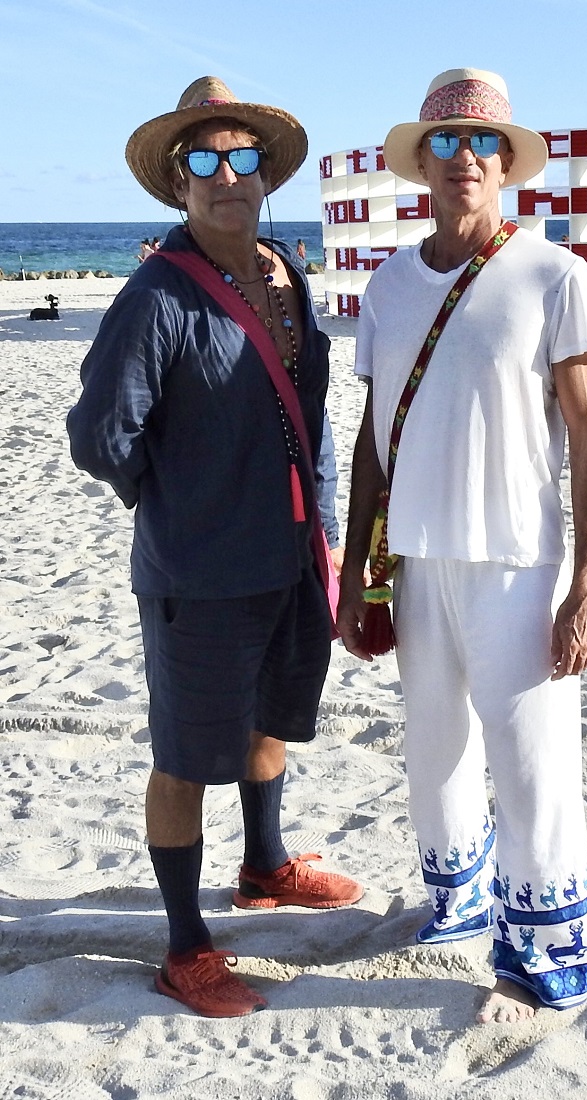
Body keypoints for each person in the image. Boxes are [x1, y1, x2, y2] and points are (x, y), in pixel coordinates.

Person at [67, 75, 362, 1019]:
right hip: (198, 571)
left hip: (288, 555)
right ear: (177, 186)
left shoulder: (284, 268)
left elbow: (304, 413)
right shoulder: (156, 295)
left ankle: (265, 866)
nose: (226, 173)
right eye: (204, 159)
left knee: (269, 719)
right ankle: (185, 946)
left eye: (242, 157)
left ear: (265, 173)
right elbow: (99, 435)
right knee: (189, 754)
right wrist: (183, 505)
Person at [338, 68, 587, 1025]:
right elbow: (376, 437)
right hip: (414, 561)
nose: (464, 159)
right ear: (422, 164)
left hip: (517, 562)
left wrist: (585, 586)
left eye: (481, 143)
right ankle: (456, 903)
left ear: (506, 162)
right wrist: (352, 577)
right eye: (446, 144)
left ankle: (544, 958)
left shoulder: (552, 274)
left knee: (532, 759)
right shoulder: (386, 281)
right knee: (434, 752)